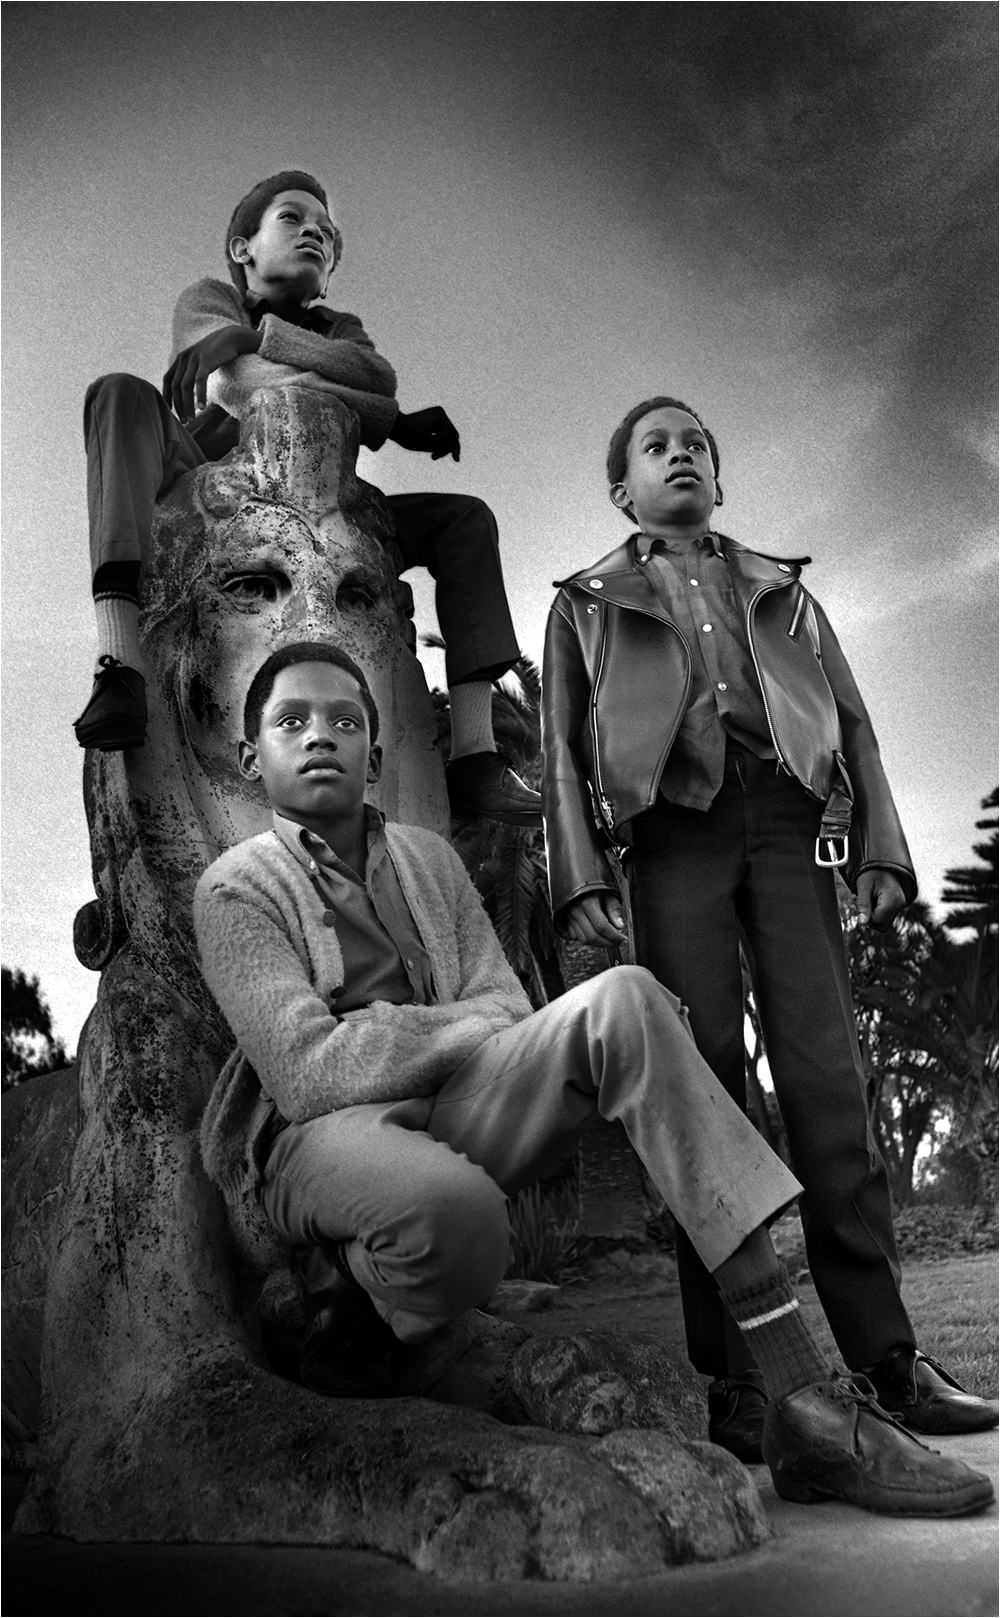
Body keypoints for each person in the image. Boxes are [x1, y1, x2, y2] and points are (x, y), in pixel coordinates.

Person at [192, 639, 993, 1520]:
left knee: (627, 998)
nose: (320, 736)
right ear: (251, 758)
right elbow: (307, 1072)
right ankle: (346, 1294)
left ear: (375, 758)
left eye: (344, 722)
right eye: (292, 722)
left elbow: (506, 1008)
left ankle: (805, 1398)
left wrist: (384, 1028)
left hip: (455, 1107)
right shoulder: (235, 889)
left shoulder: (429, 861)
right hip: (320, 1143)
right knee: (458, 1222)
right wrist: (450, 1029)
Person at [540, 395, 999, 1462]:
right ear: (622, 491)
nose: (681, 455)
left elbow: (854, 722)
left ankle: (889, 1362)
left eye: (696, 443)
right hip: (670, 839)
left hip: (792, 831)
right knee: (701, 1090)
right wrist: (577, 874)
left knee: (830, 1078)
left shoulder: (783, 592)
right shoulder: (582, 604)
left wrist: (880, 846)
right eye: (657, 446)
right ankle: (741, 1384)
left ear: (718, 476)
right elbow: (560, 746)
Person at [73, 169, 539, 827]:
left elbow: (377, 380)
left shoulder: (339, 325)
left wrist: (256, 342)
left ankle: (475, 751)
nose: (314, 234)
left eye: (327, 232)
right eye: (292, 219)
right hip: (215, 472)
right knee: (119, 393)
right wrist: (378, 411)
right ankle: (118, 662)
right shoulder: (209, 298)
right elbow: (240, 389)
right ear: (243, 248)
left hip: (328, 496)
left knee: (464, 519)